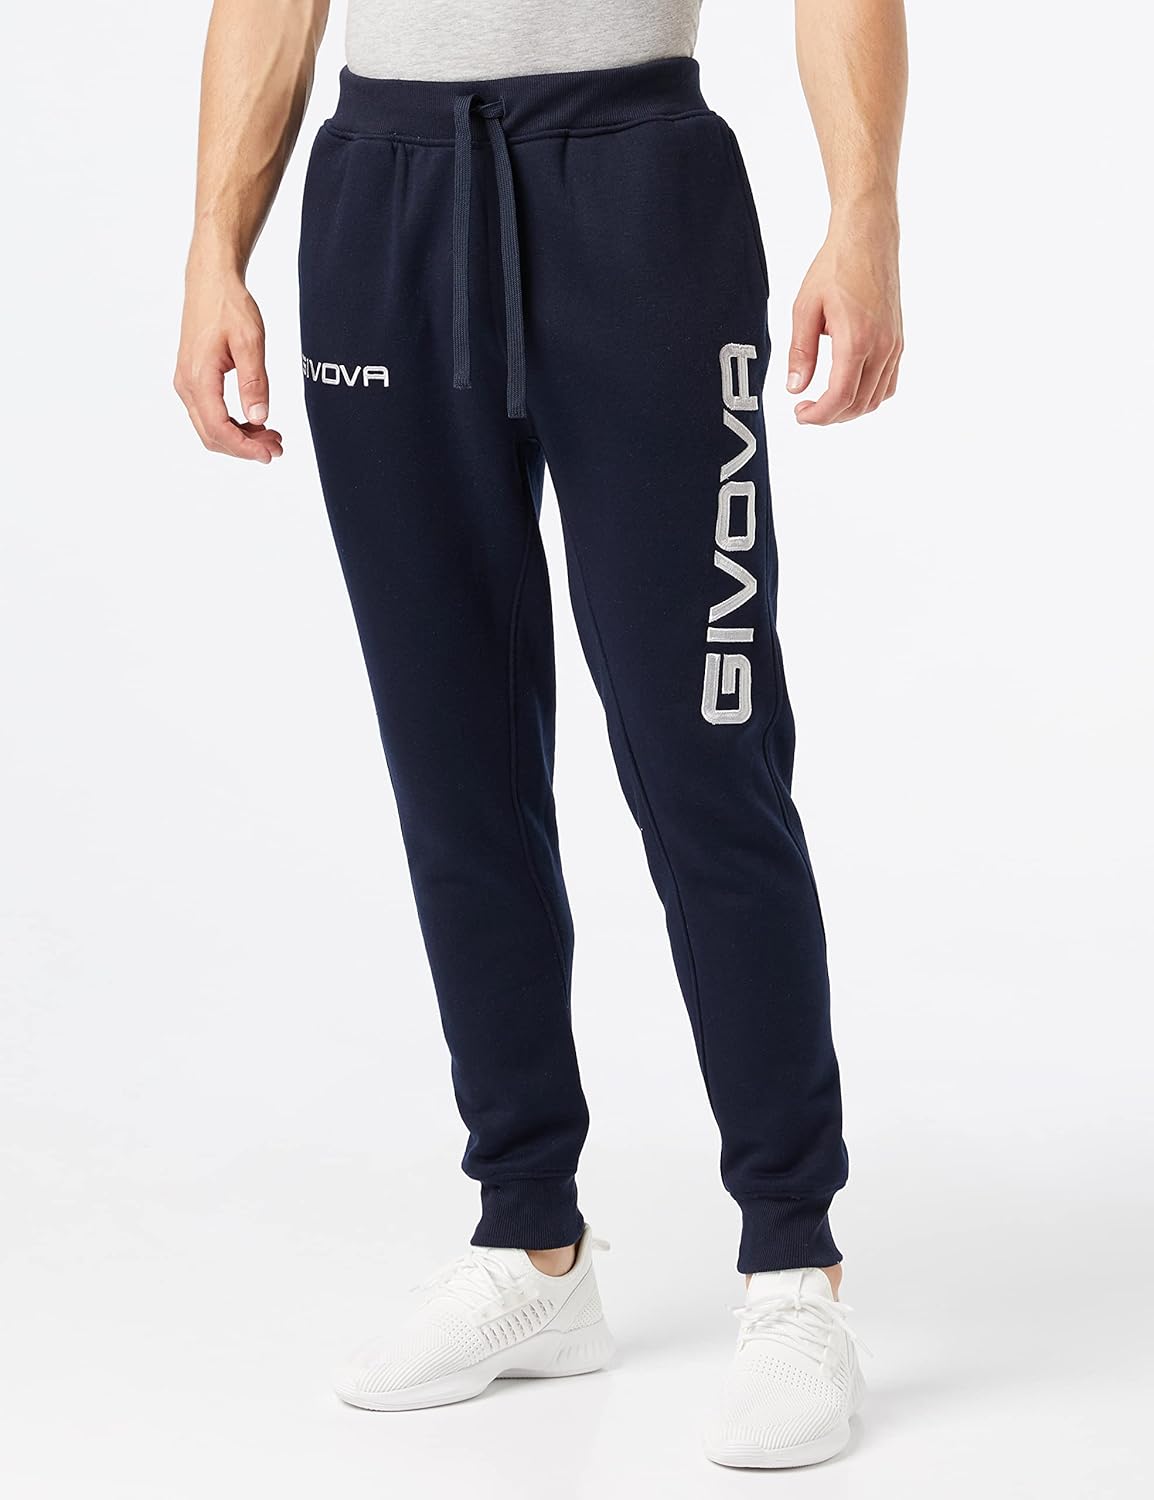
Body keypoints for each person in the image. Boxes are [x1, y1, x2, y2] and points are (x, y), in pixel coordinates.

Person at [175, 0, 906, 1469]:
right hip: (382, 199)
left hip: (637, 194)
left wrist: (864, 211)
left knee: (704, 755)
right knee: (453, 764)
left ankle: (792, 1262)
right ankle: (529, 1240)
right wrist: (212, 247)